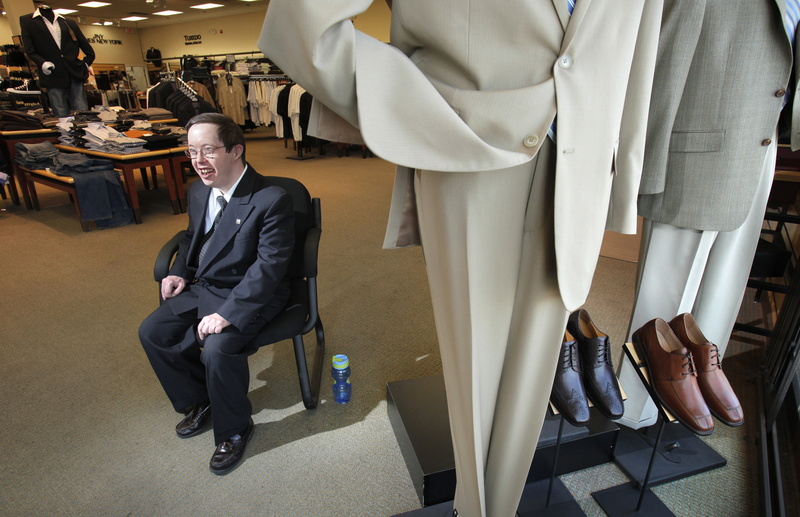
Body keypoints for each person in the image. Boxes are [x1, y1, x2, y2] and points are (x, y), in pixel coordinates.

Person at [258, 1, 663, 515]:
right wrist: (405, 105)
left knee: (533, 378)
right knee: (475, 366)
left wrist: (622, 182)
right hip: (466, 150)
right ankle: (474, 508)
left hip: (580, 169)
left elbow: (635, 49)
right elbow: (302, 19)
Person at [618, 0, 800, 430]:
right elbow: (669, 46)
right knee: (665, 295)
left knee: (725, 284)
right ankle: (633, 415)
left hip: (762, 143)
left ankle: (689, 399)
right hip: (699, 148)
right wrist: (645, 166)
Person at [139, 113, 295, 475]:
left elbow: (269, 268)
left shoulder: (271, 199)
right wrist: (179, 272)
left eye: (208, 150)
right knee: (152, 332)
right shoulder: (198, 190)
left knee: (218, 348)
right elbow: (191, 236)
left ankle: (235, 429)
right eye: (192, 151)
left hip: (252, 291)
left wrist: (228, 313)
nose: (198, 161)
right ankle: (200, 401)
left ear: (237, 150)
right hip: (206, 285)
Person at [19, 5, 95, 118]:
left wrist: (84, 65)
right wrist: (43, 63)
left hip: (74, 71)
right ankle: (66, 135)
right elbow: (29, 50)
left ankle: (85, 133)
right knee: (60, 111)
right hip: (52, 72)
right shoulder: (28, 21)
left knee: (81, 111)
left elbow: (89, 51)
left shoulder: (68, 23)